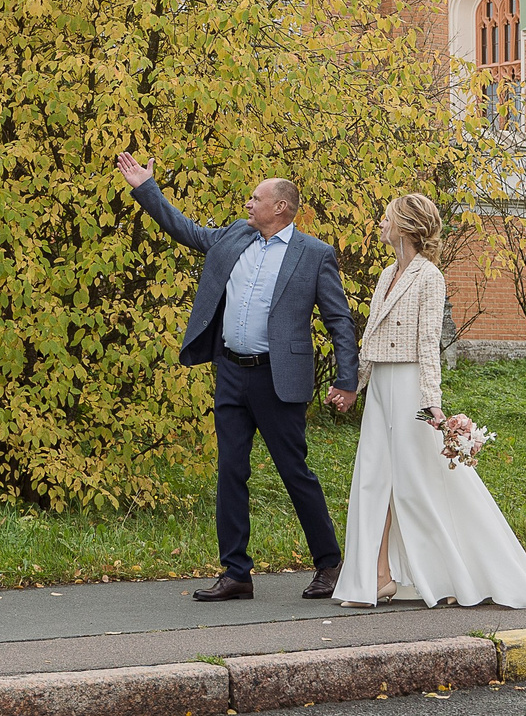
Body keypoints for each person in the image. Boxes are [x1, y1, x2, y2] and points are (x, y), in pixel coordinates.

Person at [116, 150, 356, 602]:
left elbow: (339, 321)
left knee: (294, 472)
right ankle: (236, 573)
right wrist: (145, 188)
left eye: (255, 198)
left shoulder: (314, 255)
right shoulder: (234, 237)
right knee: (230, 471)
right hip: (231, 372)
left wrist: (347, 379)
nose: (248, 204)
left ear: (280, 207)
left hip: (277, 379)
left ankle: (329, 564)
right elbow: (184, 229)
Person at [335, 193, 526, 610]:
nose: (381, 224)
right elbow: (370, 340)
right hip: (381, 390)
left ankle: (460, 571)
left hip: (409, 387)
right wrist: (355, 385)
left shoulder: (429, 276)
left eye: (386, 218)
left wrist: (432, 403)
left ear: (405, 226)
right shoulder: (387, 273)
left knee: (416, 483)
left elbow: (428, 343)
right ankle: (378, 576)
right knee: (372, 478)